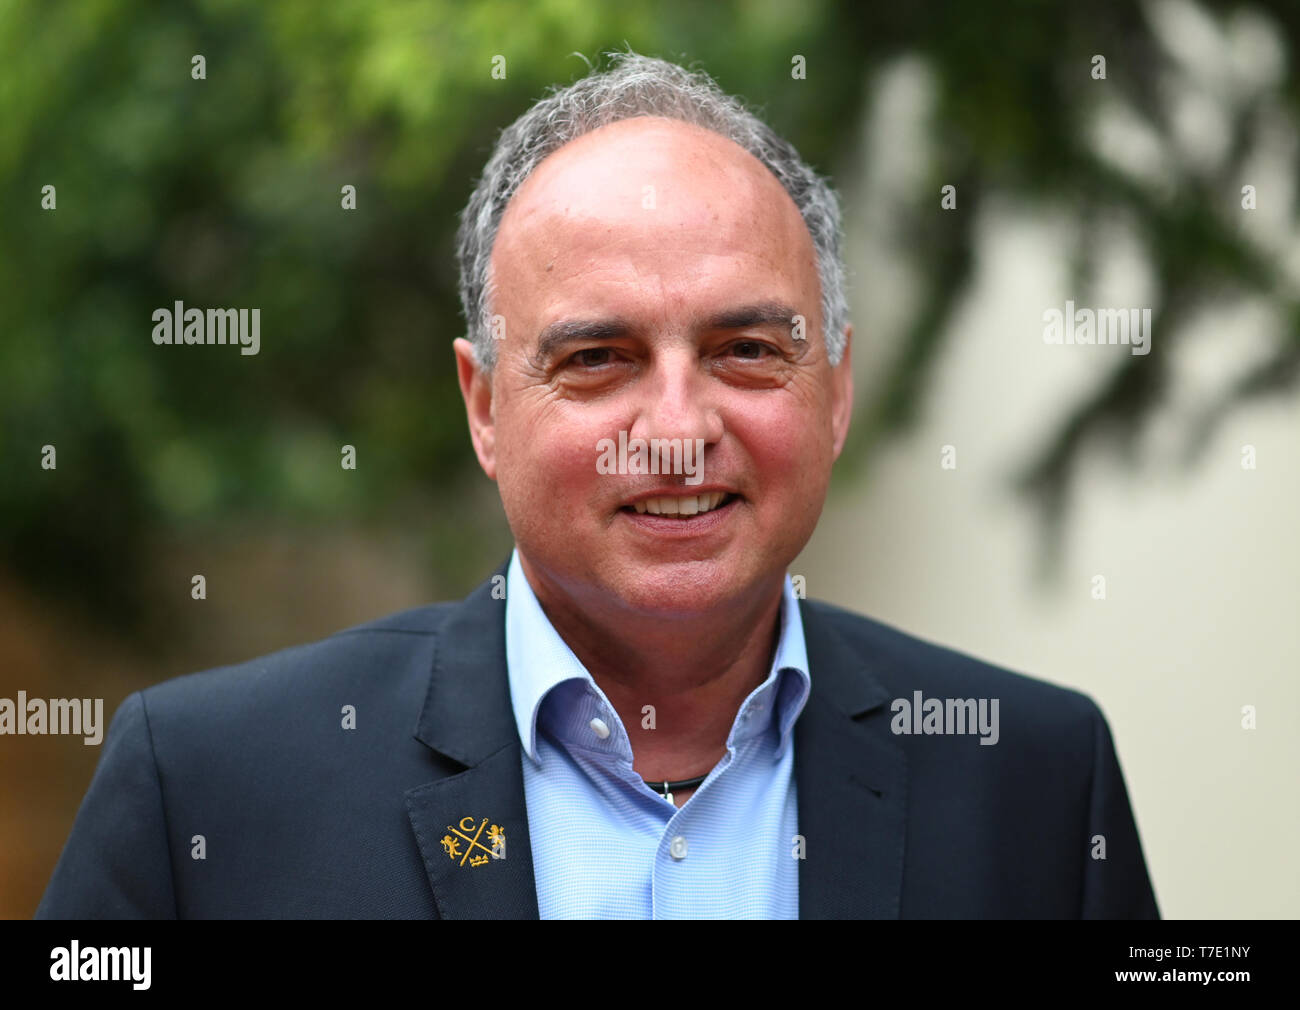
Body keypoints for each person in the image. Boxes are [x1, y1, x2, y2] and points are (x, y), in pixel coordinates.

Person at [37, 51, 1158, 919]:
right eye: (597, 359)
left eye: (746, 350)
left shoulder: (1034, 779)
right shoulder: (208, 786)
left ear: (836, 388)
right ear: (484, 406)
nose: (676, 430)